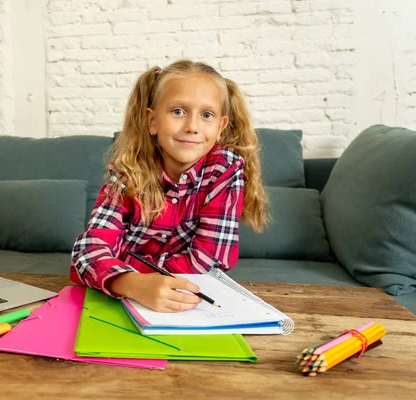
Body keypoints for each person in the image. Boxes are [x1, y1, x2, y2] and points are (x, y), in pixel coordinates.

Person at [70, 59, 269, 313]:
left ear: (220, 127)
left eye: (206, 115)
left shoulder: (224, 169)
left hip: (179, 299)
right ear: (152, 121)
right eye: (178, 111)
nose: (192, 127)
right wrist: (132, 283)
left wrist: (123, 267)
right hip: (121, 296)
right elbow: (86, 252)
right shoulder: (129, 171)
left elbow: (209, 260)